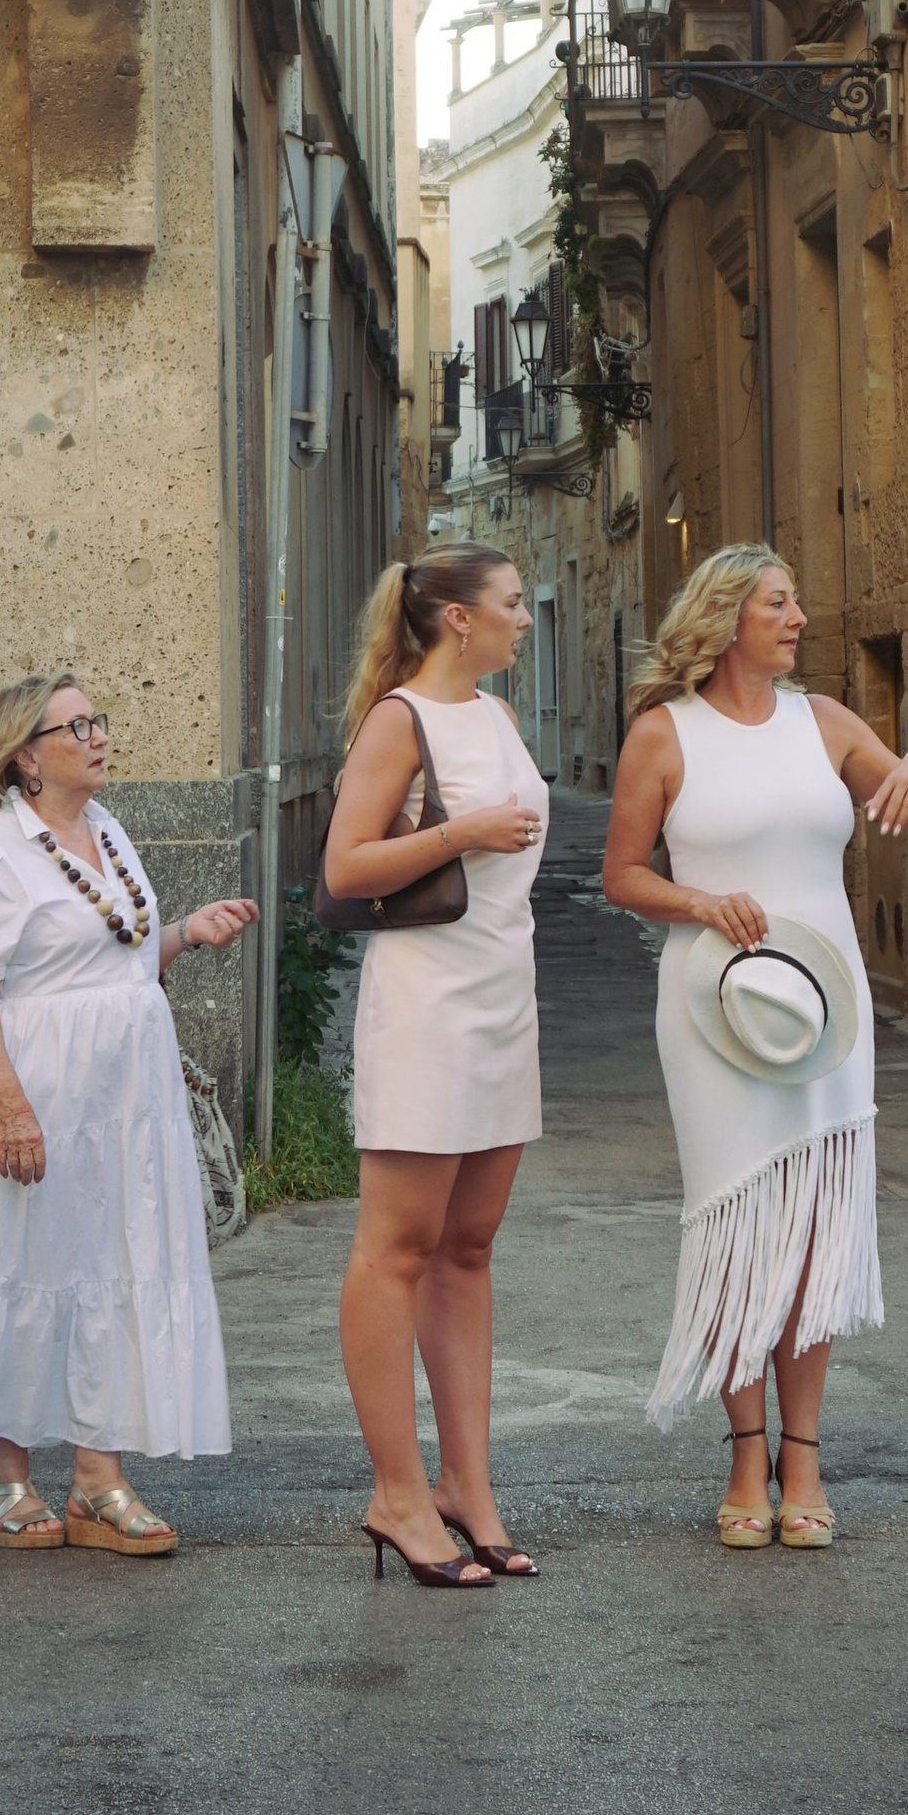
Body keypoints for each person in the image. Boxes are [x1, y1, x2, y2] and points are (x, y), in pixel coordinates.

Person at [603, 544, 908, 1550]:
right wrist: (701, 900)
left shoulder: (828, 724)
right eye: (778, 602)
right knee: (736, 1224)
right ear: (726, 622)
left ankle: (803, 1460)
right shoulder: (664, 735)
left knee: (813, 1230)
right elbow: (623, 873)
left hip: (823, 1009)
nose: (798, 616)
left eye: (795, 600)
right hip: (713, 1007)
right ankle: (745, 1455)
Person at [0, 674, 256, 1550]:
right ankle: (3, 1475)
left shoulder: (109, 833)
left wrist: (185, 933)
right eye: (76, 725)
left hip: (127, 1099)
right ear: (26, 754)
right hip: (38, 1092)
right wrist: (9, 1108)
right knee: (23, 1266)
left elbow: (112, 961)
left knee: (116, 1257)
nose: (96, 735)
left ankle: (99, 1479)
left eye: (98, 718)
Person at [320, 549, 550, 1589]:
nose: (524, 621)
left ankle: (468, 1487)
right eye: (511, 605)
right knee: (394, 1250)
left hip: (502, 999)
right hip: (425, 1007)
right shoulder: (398, 719)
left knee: (468, 1249)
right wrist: (463, 829)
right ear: (457, 619)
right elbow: (343, 867)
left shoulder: (495, 719)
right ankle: (397, 1494)